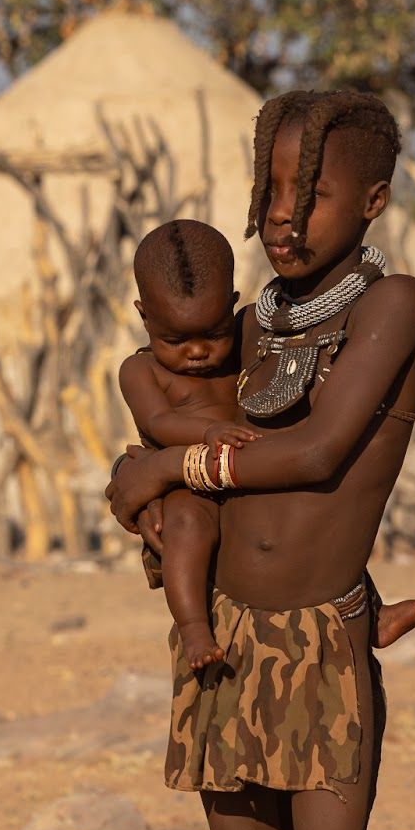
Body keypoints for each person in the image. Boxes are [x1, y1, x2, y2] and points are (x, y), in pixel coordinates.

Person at [106, 90, 415, 830]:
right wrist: (145, 481)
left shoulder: (389, 309)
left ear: (373, 202)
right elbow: (160, 436)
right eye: (272, 189)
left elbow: (319, 451)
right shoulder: (246, 324)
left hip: (320, 632)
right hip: (223, 631)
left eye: (312, 194)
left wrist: (182, 465)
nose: (284, 216)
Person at [118, 219, 258, 671]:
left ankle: (367, 608)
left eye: (213, 335)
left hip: (254, 480)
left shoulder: (249, 341)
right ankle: (195, 628)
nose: (197, 352)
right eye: (175, 340)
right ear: (144, 317)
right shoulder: (141, 371)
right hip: (187, 485)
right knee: (184, 530)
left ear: (232, 308)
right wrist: (208, 433)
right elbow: (158, 423)